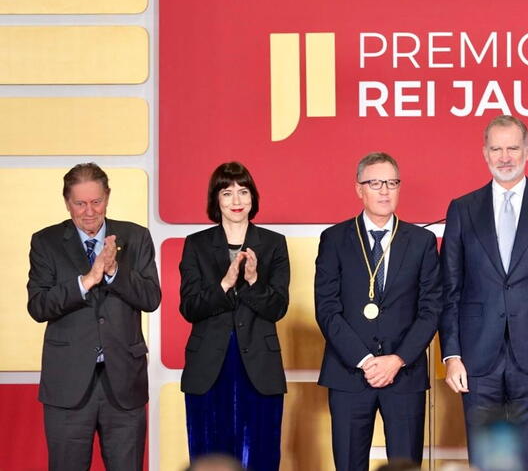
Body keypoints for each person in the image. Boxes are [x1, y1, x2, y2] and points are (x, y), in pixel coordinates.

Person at [439, 115, 528, 471]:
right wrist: (452, 354)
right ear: (485, 153)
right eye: (497, 149)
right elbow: (449, 289)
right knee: (487, 460)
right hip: (476, 358)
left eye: (513, 148)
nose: (505, 157)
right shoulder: (462, 208)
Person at [27, 162, 161, 470]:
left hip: (124, 385)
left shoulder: (135, 237)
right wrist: (87, 280)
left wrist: (113, 270)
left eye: (96, 201)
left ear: (108, 197)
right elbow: (38, 305)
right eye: (80, 203)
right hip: (68, 386)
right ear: (67, 202)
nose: (89, 211)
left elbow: (151, 298)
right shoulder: (45, 242)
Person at [314, 152, 441, 471]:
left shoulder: (421, 241)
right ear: (359, 189)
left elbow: (431, 309)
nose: (385, 191)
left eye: (392, 183)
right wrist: (366, 361)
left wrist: (397, 360)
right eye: (375, 183)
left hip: (404, 375)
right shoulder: (334, 239)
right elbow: (327, 309)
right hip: (349, 372)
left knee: (405, 465)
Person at [179, 162, 290, 471]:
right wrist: (225, 283)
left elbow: (278, 307)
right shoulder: (196, 244)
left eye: (243, 192)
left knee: (262, 453)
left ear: (253, 197)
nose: (236, 201)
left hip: (259, 365)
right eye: (227, 193)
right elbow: (189, 307)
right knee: (209, 455)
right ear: (216, 200)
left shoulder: (273, 243)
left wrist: (254, 281)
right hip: (209, 366)